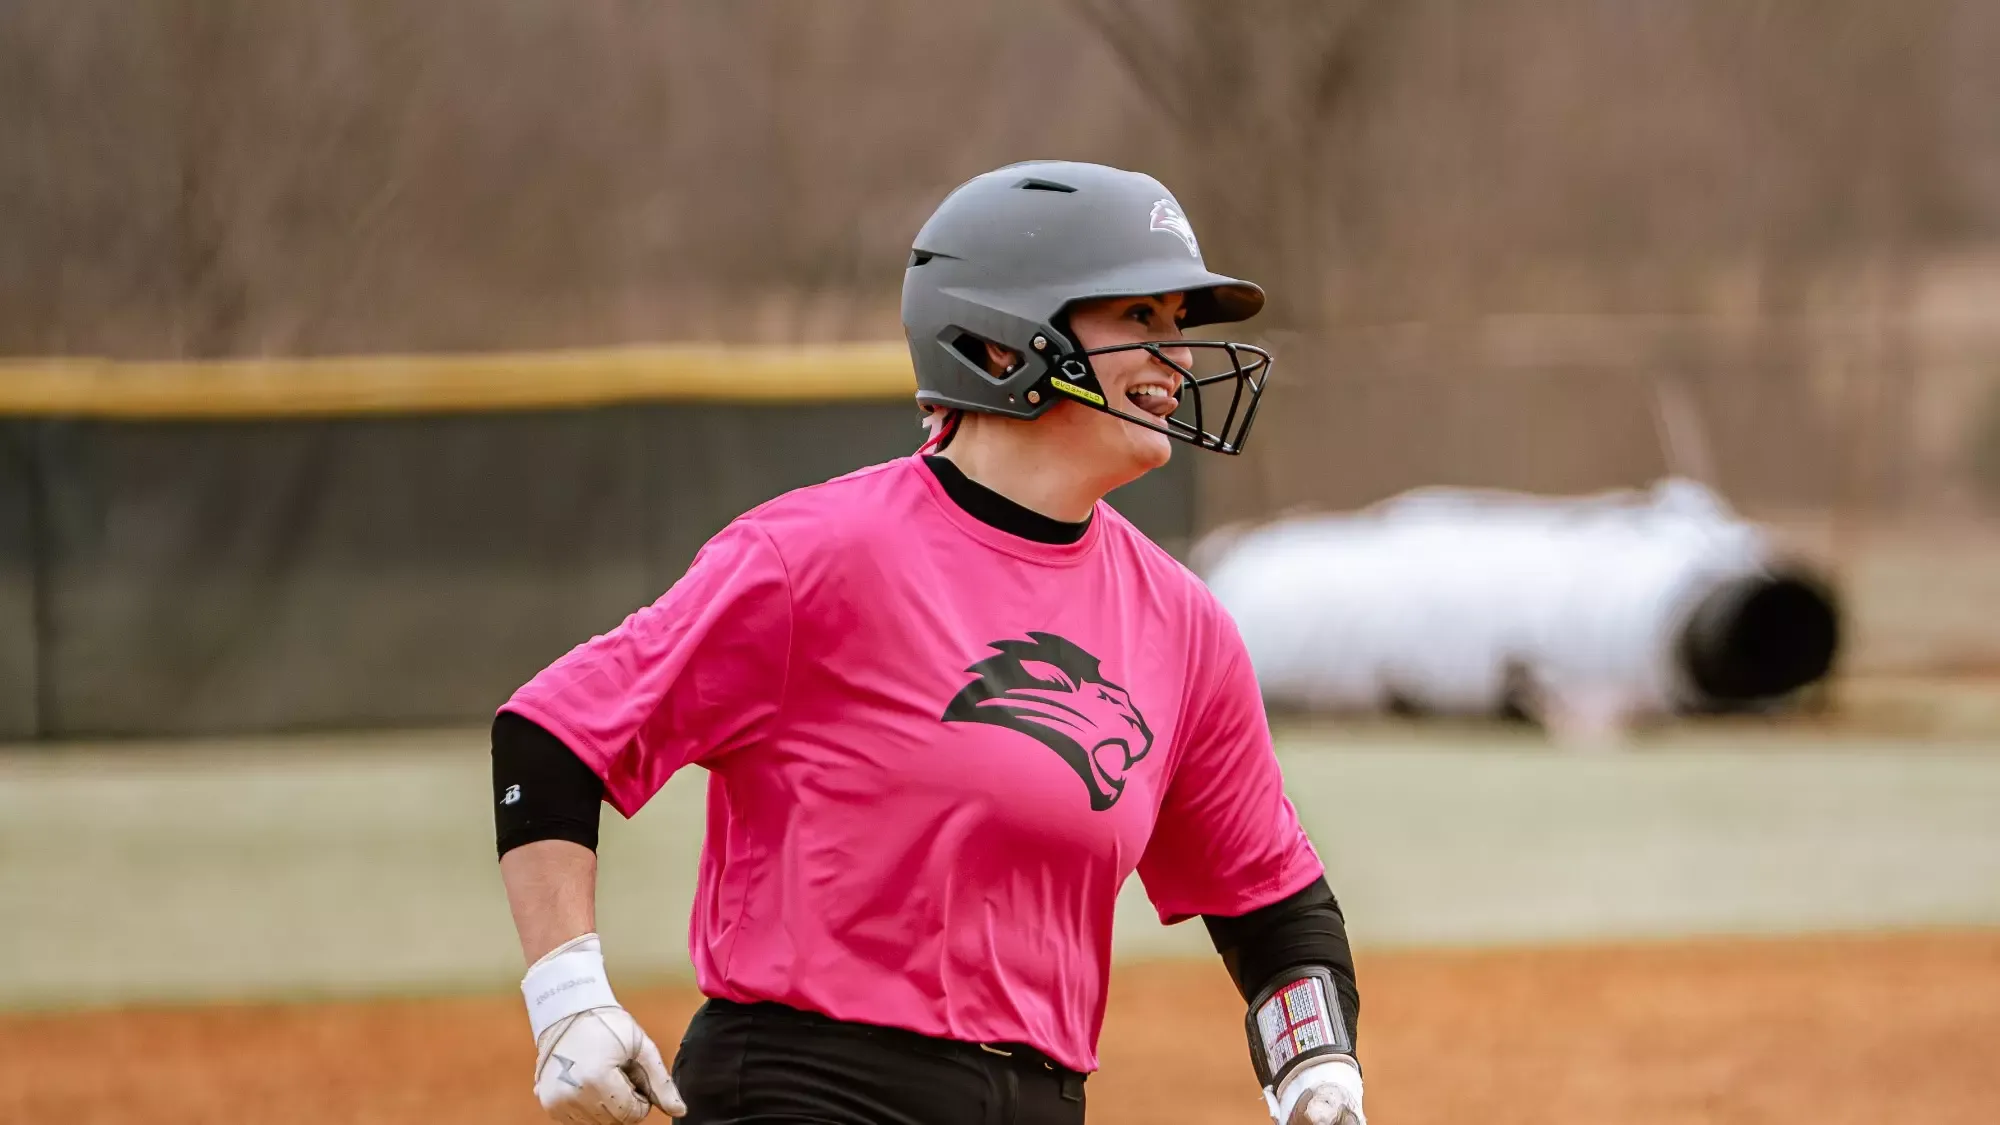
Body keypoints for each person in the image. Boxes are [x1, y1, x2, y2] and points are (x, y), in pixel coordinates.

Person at [492, 160, 1366, 1125]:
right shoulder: (816, 555)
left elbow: (1275, 908)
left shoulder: (1183, 624)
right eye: (1141, 320)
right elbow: (555, 735)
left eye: (1180, 326)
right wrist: (565, 994)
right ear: (1001, 345)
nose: (1182, 359)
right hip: (809, 1090)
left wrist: (1316, 1068)